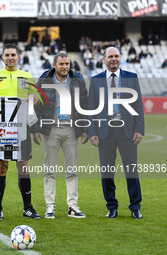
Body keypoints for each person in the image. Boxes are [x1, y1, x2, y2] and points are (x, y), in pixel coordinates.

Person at [0, 44, 41, 220]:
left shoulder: (26, 76)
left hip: (21, 128)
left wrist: (34, 100)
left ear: (18, 57)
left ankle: (28, 208)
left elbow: (36, 99)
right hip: (2, 129)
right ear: (2, 57)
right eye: (7, 55)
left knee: (23, 166)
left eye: (13, 55)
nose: (10, 57)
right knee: (2, 167)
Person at [87, 47, 144, 219]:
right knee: (107, 172)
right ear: (103, 59)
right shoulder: (96, 80)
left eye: (116, 56)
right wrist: (92, 132)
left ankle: (135, 207)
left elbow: (139, 106)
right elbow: (91, 108)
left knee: (131, 170)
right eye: (110, 56)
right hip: (105, 132)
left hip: (127, 131)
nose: (113, 59)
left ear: (120, 58)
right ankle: (111, 206)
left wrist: (139, 129)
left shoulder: (131, 77)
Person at [31, 52, 88, 219]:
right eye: (61, 64)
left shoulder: (78, 80)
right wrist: (35, 129)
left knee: (72, 170)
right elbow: (35, 106)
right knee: (50, 170)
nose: (65, 67)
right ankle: (50, 207)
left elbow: (84, 104)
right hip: (52, 130)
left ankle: (73, 206)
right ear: (54, 65)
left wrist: (84, 129)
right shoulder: (44, 80)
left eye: (67, 64)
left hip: (71, 129)